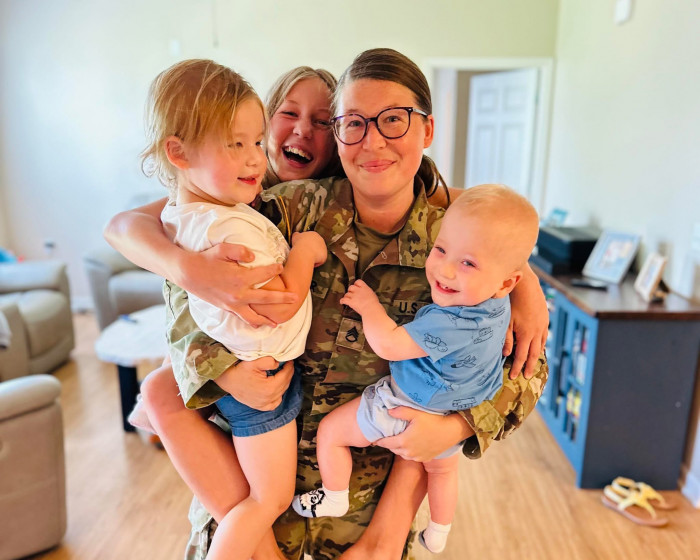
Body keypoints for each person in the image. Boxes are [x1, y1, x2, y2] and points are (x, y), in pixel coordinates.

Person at [105, 48, 549, 560]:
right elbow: (187, 261)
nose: (373, 140)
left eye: (394, 119)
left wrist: (455, 425)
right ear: (338, 137)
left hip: (360, 533)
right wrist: (218, 365)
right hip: (243, 517)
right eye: (353, 123)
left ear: (427, 130)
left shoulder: (457, 251)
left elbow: (522, 367)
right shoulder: (285, 209)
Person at [139, 59, 328, 560]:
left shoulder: (197, 210)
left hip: (254, 380)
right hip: (261, 382)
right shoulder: (230, 224)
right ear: (179, 152)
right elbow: (277, 303)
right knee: (267, 499)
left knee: (257, 502)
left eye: (255, 143)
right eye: (235, 144)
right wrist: (305, 253)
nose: (253, 158)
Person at [291, 184, 539, 555]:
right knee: (443, 471)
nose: (445, 269)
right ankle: (438, 530)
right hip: (454, 410)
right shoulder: (496, 302)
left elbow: (390, 344)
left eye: (467, 264)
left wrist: (370, 306)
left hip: (402, 409)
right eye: (440, 249)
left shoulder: (452, 320)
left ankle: (334, 494)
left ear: (507, 283)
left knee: (331, 433)